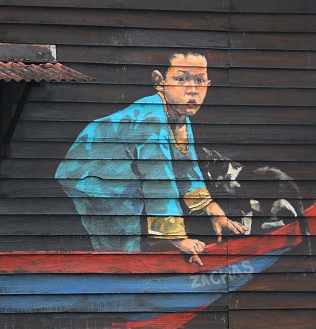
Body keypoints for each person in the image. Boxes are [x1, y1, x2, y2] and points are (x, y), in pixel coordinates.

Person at [56, 52, 245, 265]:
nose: (192, 89)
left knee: (136, 215)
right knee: (122, 228)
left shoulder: (180, 117)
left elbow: (186, 169)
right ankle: (122, 270)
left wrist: (211, 209)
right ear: (159, 82)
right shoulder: (151, 118)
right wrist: (179, 240)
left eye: (199, 81)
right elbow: (159, 180)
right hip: (93, 172)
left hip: (122, 170)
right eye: (181, 79)